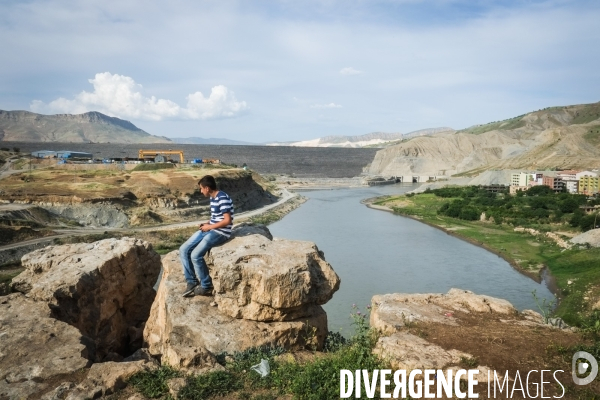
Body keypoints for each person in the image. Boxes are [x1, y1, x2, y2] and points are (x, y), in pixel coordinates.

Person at [180, 175, 234, 297]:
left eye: (201, 188)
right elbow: (216, 217)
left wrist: (209, 227)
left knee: (195, 255)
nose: (201, 191)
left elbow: (227, 221)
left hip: (221, 232)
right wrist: (208, 223)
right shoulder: (213, 198)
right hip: (212, 228)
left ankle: (206, 286)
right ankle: (192, 282)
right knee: (183, 249)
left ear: (207, 188)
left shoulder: (222, 198)